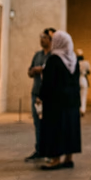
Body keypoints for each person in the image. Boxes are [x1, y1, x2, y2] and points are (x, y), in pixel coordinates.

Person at [38, 31, 81, 170]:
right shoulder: (74, 60)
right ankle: (69, 158)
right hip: (72, 101)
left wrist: (41, 96)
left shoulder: (54, 60)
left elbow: (48, 83)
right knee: (70, 128)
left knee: (55, 128)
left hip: (55, 102)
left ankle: (55, 159)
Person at [26, 28, 54, 162]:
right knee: (37, 123)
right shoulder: (38, 55)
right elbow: (30, 71)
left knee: (48, 123)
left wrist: (42, 69)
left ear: (51, 39)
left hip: (49, 95)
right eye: (41, 36)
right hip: (36, 93)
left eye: (45, 37)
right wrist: (33, 71)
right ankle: (39, 149)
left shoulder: (54, 55)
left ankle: (49, 149)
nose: (42, 39)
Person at [76, 50, 90, 117]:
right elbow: (89, 71)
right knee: (83, 96)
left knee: (77, 96)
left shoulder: (75, 63)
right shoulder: (86, 63)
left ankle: (78, 108)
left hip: (76, 80)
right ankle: (82, 109)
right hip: (83, 79)